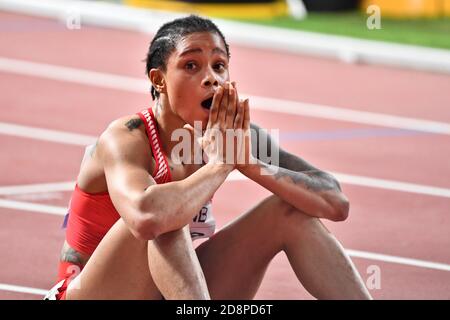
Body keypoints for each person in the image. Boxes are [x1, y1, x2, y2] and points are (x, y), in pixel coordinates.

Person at [44, 15, 371, 300]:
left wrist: (252, 164)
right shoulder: (126, 138)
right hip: (93, 294)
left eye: (219, 66)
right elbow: (147, 218)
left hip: (168, 293)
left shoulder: (235, 134)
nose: (211, 77)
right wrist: (220, 165)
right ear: (158, 79)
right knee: (166, 217)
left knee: (288, 211)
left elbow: (335, 203)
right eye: (191, 65)